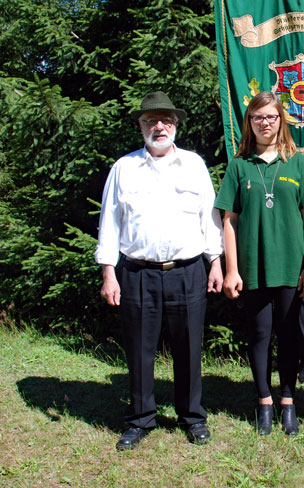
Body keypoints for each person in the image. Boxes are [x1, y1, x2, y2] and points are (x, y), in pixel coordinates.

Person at [95, 91, 223, 450]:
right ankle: (140, 419)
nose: (159, 126)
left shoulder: (194, 165)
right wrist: (108, 272)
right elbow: (109, 223)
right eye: (151, 120)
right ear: (141, 126)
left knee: (189, 348)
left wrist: (215, 261)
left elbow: (210, 218)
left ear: (176, 124)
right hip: (137, 274)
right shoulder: (123, 168)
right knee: (139, 349)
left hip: (188, 271)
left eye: (166, 120)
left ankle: (192, 417)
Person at [215, 91, 304, 435]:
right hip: (254, 266)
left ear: (280, 121)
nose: (264, 123)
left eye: (271, 117)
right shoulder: (239, 165)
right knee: (259, 334)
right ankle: (263, 401)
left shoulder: (299, 163)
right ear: (249, 122)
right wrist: (232, 269)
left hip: (292, 267)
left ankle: (288, 400)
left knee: (289, 334)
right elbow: (229, 220)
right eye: (257, 117)